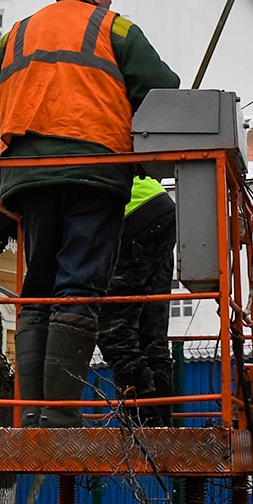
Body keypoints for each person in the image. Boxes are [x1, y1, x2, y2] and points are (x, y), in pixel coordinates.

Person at [0, 0, 180, 428]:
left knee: (38, 284)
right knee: (79, 286)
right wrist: (149, 156)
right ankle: (61, 415)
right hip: (96, 176)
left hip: (26, 182)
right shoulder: (117, 28)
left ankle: (35, 412)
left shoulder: (15, 36)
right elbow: (163, 89)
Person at [99, 176, 177, 425]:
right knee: (151, 336)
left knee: (114, 332)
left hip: (130, 215)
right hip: (158, 203)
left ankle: (146, 428)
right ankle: (163, 427)